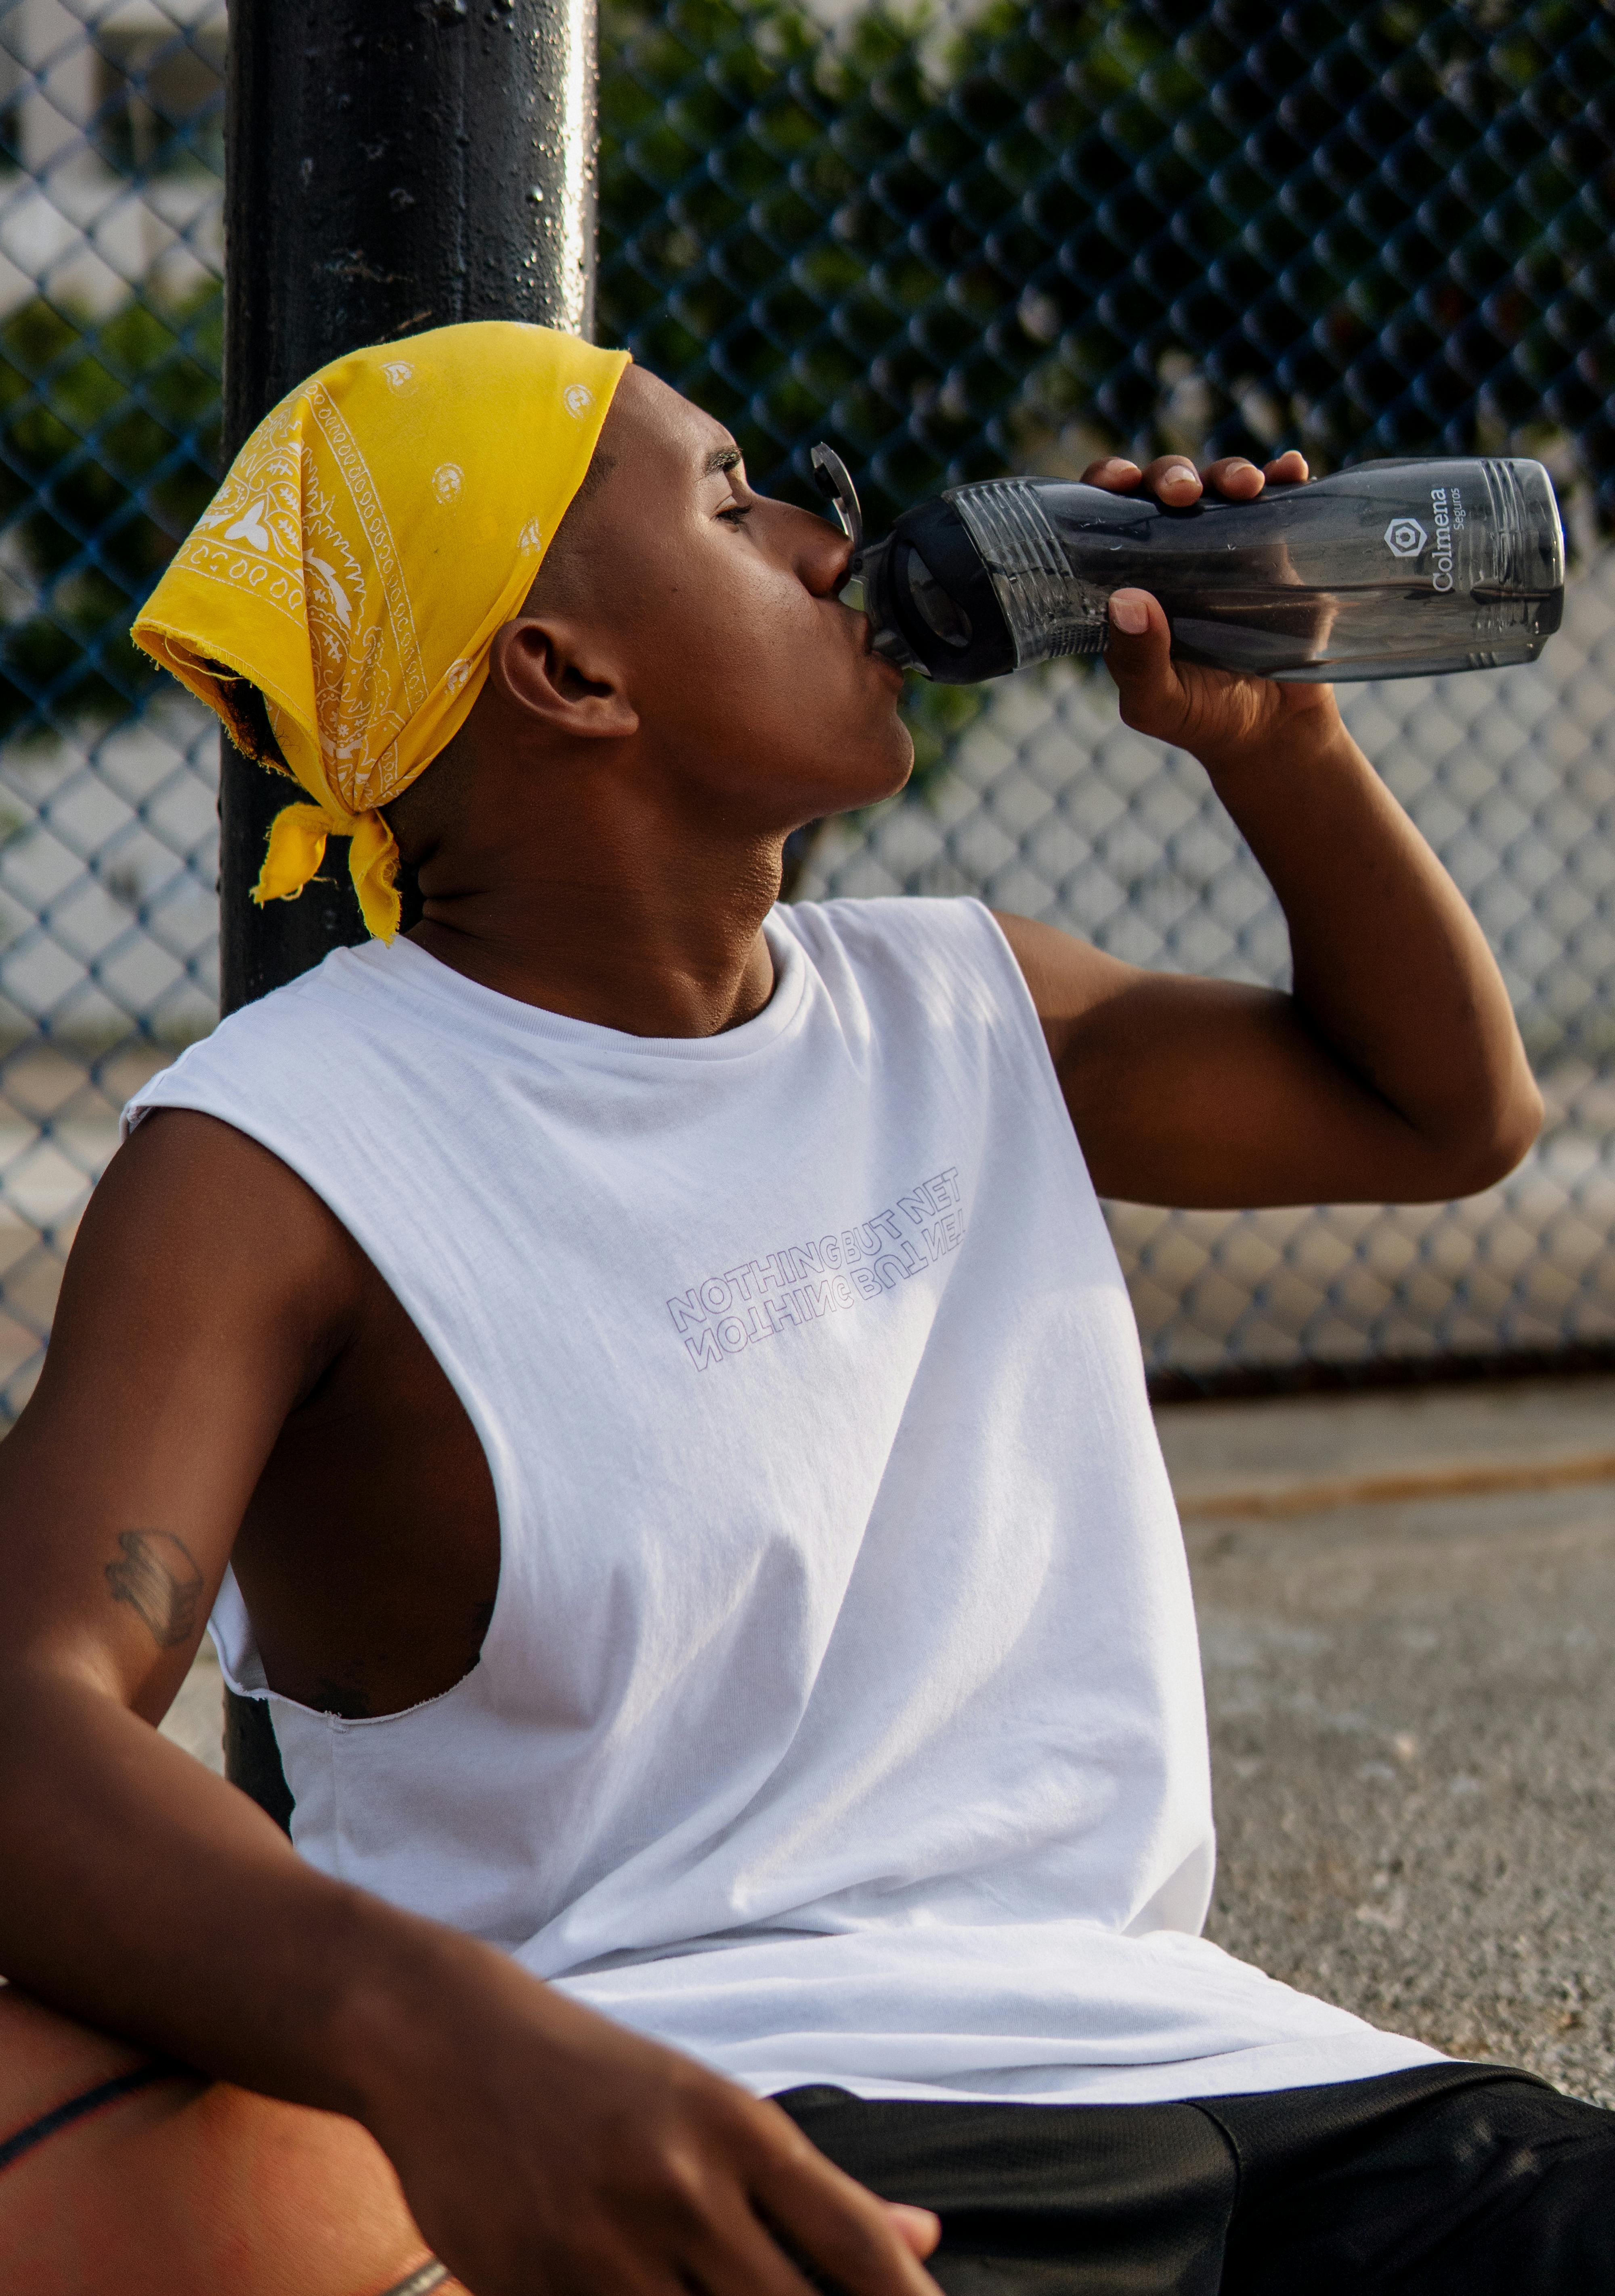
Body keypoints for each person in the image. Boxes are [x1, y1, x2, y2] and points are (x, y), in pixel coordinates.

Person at [0, 318, 1603, 2296]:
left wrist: (1286, 756)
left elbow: (1441, 1114)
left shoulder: (958, 997)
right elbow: (26, 1717)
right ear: (564, 671)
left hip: (1224, 2068)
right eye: (727, 494)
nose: (828, 540)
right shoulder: (285, 1149)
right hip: (744, 2132)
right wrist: (435, 2047)